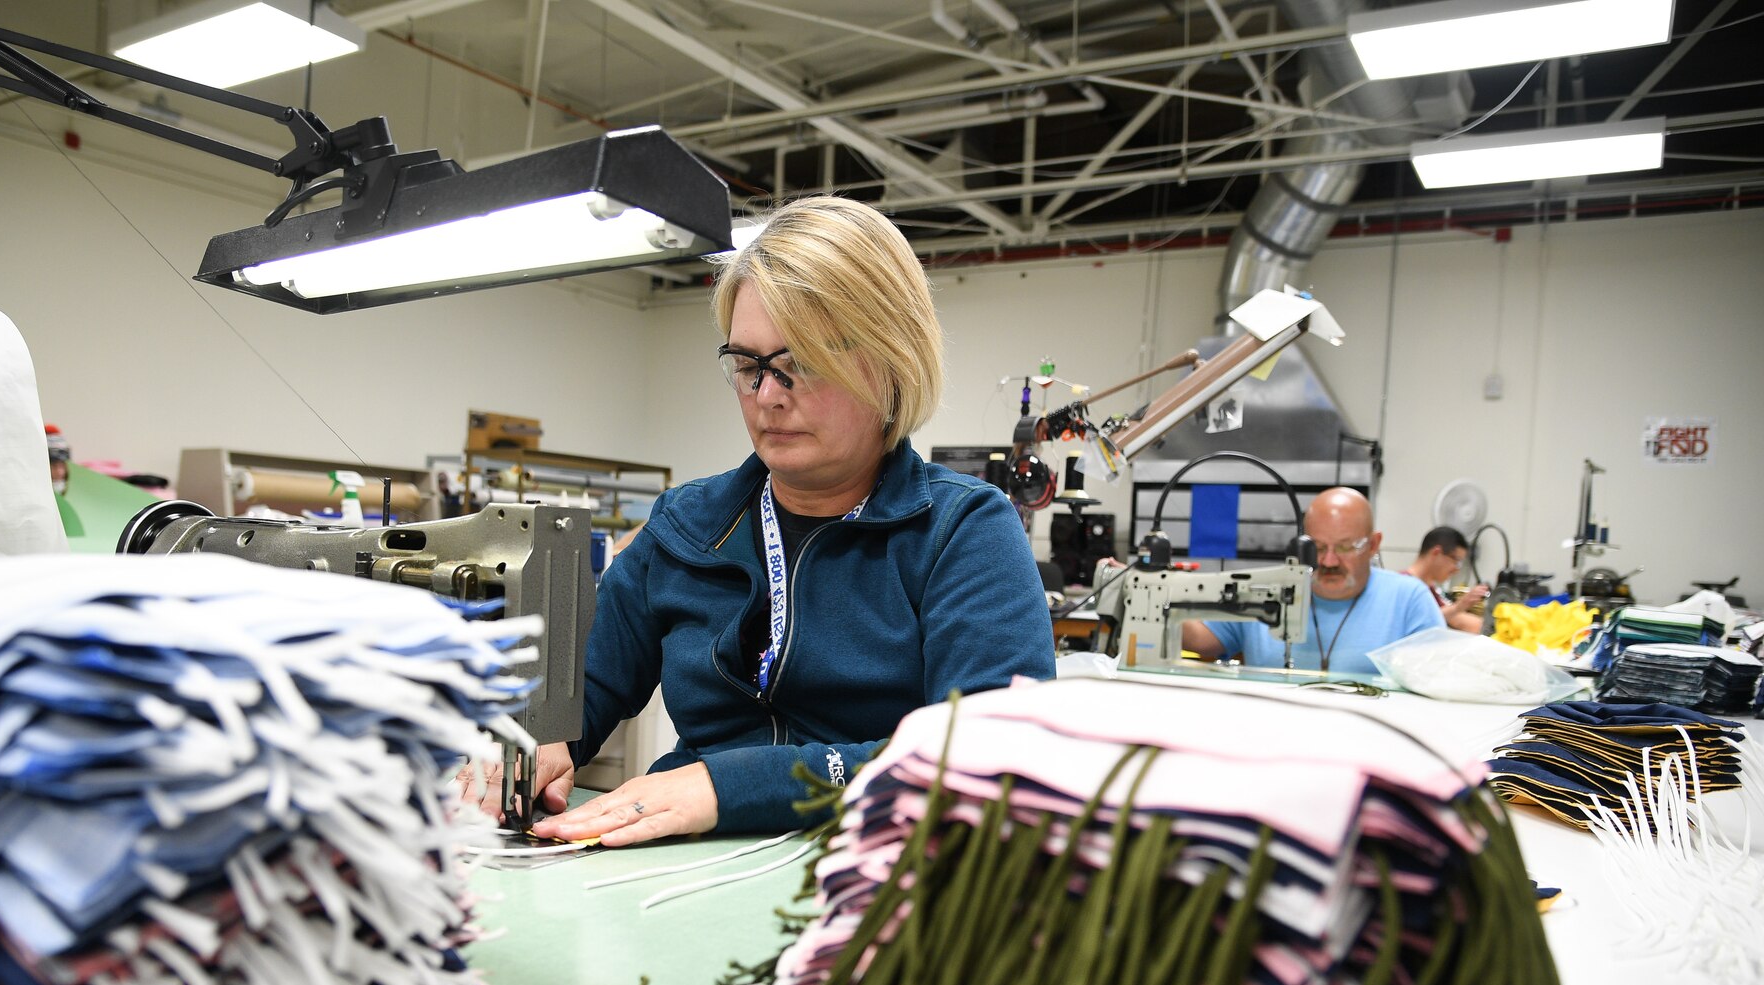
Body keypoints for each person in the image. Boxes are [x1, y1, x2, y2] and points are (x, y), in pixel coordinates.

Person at [494, 197, 1055, 846]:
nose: (766, 396)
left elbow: (986, 761)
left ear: (891, 361)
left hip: (869, 872)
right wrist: (531, 735)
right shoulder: (686, 526)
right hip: (677, 870)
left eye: (800, 364)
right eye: (748, 366)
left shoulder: (963, 533)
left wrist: (722, 787)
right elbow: (580, 687)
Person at [1180, 487, 1441, 675]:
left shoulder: (1409, 600)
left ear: (1373, 545)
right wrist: (1157, 596)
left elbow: (1440, 678)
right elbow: (1202, 640)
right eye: (1316, 547)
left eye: (1345, 547)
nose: (1328, 561)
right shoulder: (1269, 590)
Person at [1405, 525, 1488, 634]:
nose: (1456, 570)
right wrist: (1459, 605)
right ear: (1436, 553)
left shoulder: (1429, 589)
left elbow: (1456, 619)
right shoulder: (1405, 586)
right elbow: (1424, 620)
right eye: (1456, 561)